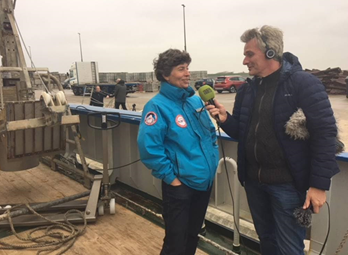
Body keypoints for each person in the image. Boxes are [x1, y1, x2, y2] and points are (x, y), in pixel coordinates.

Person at [206, 25, 340, 255]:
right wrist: (226, 118)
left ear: (270, 52)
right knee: (267, 242)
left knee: (289, 248)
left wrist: (318, 186)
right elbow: (242, 132)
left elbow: (325, 134)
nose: (244, 61)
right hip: (255, 183)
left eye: (249, 54)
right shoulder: (247, 91)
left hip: (288, 186)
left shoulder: (302, 84)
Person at [137, 49, 219, 255]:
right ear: (166, 75)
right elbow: (149, 148)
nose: (187, 73)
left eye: (187, 68)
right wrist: (171, 178)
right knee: (175, 242)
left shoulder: (195, 101)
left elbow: (210, 132)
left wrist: (213, 158)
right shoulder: (156, 106)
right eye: (181, 69)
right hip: (180, 187)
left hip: (203, 182)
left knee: (192, 236)